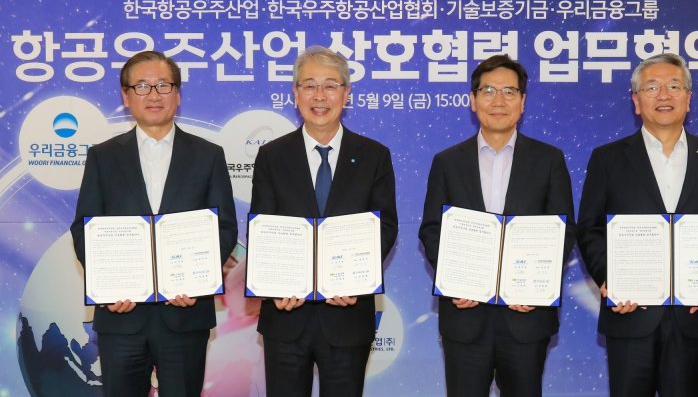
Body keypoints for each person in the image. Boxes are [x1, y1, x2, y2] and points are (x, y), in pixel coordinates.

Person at [70, 50, 238, 396]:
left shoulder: (208, 155)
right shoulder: (102, 156)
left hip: (185, 313)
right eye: (142, 86)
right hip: (122, 316)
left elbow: (224, 227)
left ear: (177, 94)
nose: (153, 95)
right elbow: (85, 228)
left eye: (163, 85)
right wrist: (109, 288)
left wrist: (198, 282)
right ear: (125, 96)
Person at [577, 53, 698, 396]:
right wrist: (610, 278)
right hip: (630, 312)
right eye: (652, 87)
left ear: (688, 98)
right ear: (637, 102)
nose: (663, 95)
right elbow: (590, 228)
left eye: (674, 86)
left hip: (693, 314)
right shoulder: (607, 158)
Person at [418, 54, 576, 397]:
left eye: (509, 91)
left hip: (526, 316)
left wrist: (535, 287)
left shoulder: (549, 160)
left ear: (522, 101)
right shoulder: (447, 161)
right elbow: (432, 230)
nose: (499, 101)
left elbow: (562, 231)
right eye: (488, 91)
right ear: (473, 100)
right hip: (465, 315)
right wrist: (454, 280)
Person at [249, 45, 398, 397]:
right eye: (309, 85)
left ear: (346, 93)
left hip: (347, 315)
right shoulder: (271, 155)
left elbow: (385, 227)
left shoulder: (374, 155)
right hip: (286, 315)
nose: (320, 96)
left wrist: (354, 280)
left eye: (331, 85)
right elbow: (263, 227)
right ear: (295, 93)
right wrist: (275, 286)